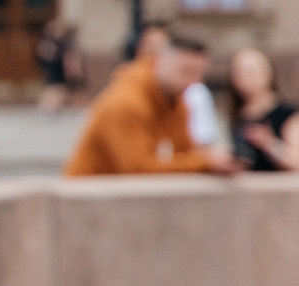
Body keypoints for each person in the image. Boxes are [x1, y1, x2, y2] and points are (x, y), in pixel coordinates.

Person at [65, 31, 237, 176]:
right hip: (86, 203)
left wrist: (210, 160)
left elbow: (184, 153)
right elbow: (136, 168)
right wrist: (205, 162)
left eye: (199, 73)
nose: (193, 82)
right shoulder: (126, 101)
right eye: (186, 71)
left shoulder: (175, 101)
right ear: (159, 61)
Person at [227, 46, 296, 172]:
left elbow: (296, 161)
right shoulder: (236, 113)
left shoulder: (287, 114)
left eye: (250, 72)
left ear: (268, 74)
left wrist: (269, 143)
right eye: (238, 71)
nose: (243, 77)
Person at [35, 19, 80, 115]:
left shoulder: (53, 42)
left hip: (56, 69)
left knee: (56, 89)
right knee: (57, 89)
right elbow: (67, 59)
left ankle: (48, 107)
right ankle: (48, 108)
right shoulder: (54, 43)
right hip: (55, 69)